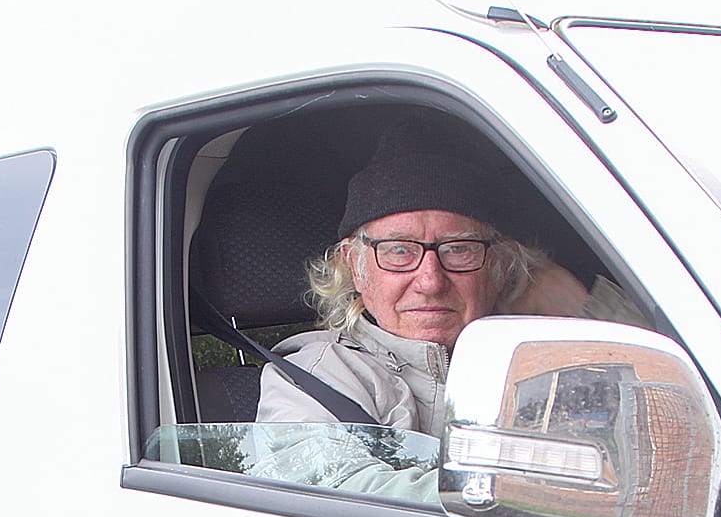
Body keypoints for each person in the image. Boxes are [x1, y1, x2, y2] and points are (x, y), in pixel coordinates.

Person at [253, 119, 640, 492]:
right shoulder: (315, 378)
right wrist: (555, 493)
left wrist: (583, 306)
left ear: (499, 266)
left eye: (458, 249)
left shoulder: (546, 362)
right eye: (399, 250)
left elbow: (669, 426)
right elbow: (340, 499)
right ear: (355, 266)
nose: (430, 281)